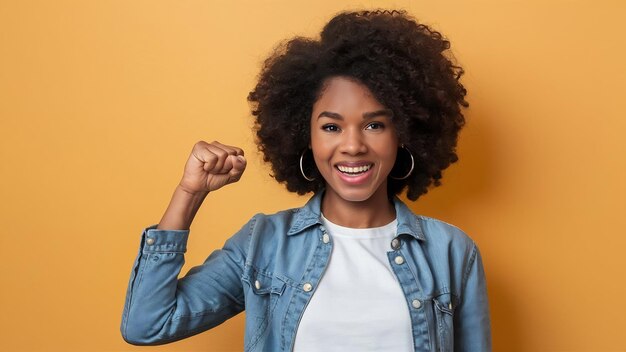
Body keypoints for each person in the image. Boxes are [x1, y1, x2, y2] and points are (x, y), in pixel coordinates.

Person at [120, 9, 491, 352]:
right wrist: (189, 193)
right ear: (305, 137)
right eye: (331, 126)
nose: (352, 145)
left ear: (404, 133)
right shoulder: (263, 245)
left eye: (374, 125)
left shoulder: (451, 252)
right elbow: (147, 324)